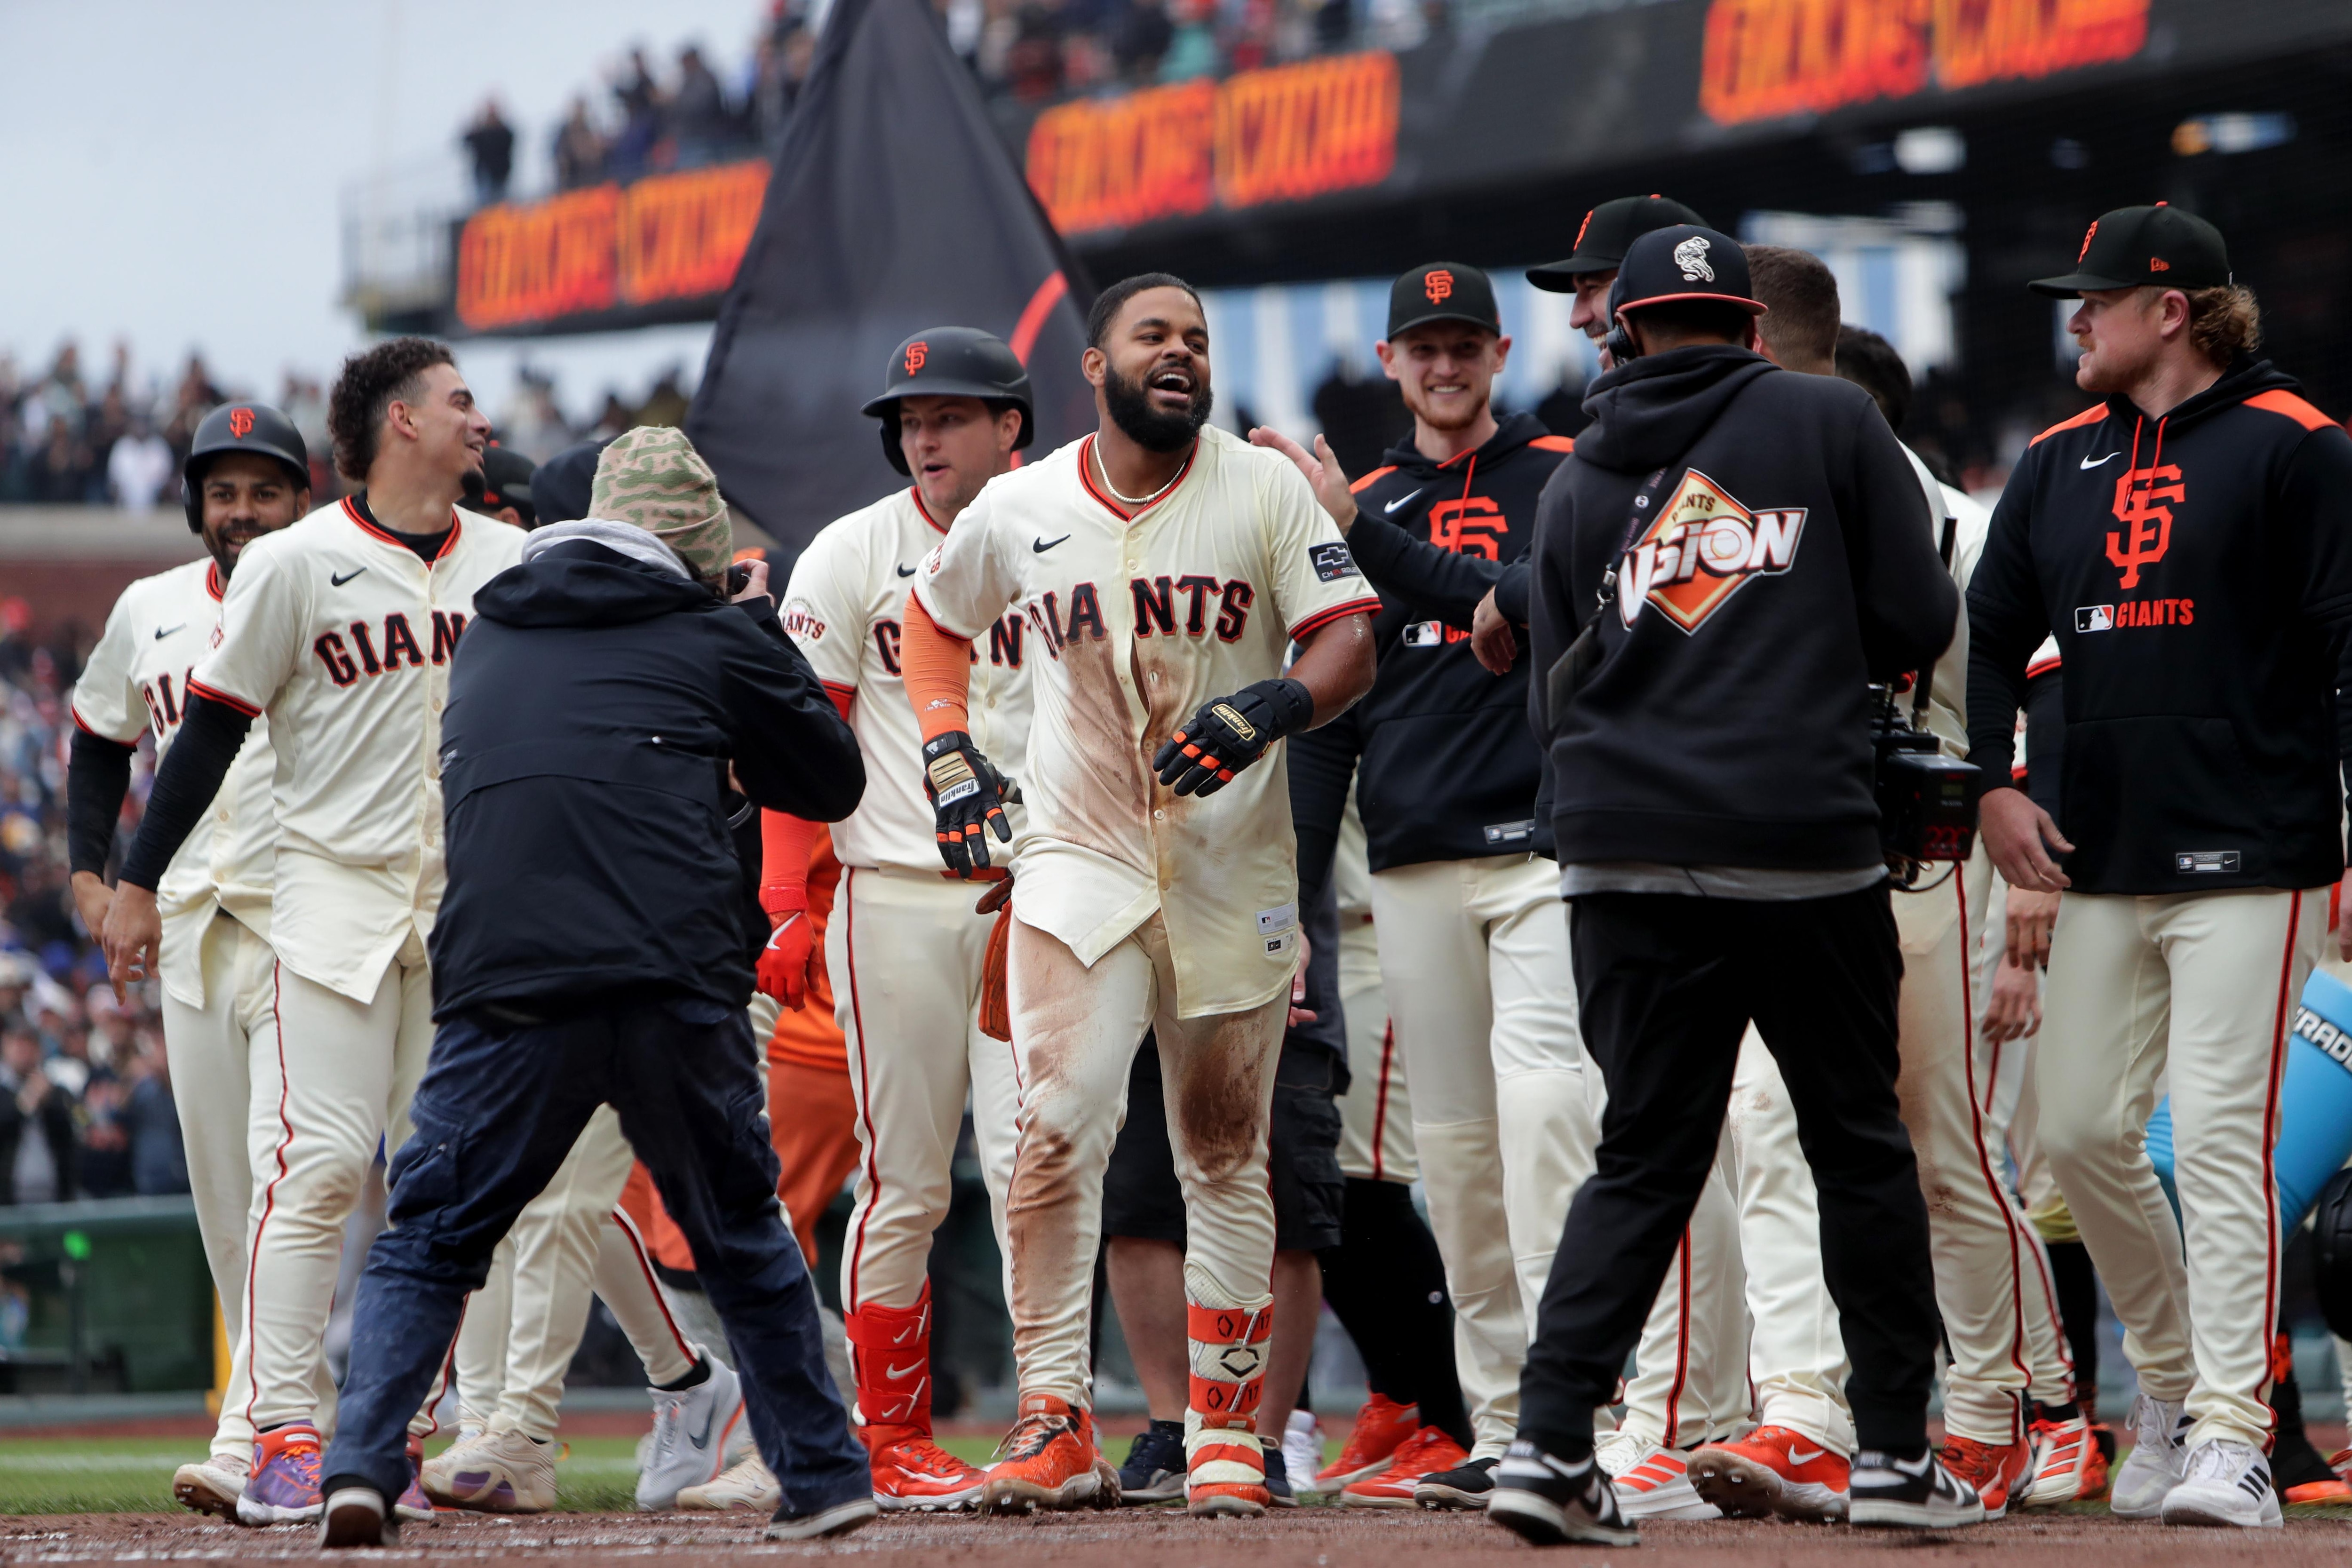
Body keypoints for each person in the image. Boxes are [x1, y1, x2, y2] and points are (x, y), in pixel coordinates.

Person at [1493, 225, 1977, 1545]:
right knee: (1857, 1152)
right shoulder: (1827, 419)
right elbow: (1921, 622)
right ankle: (1887, 1453)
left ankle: (1545, 1447)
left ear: (1628, 330)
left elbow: (1555, 682)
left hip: (1621, 851)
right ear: (1748, 325)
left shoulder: (1579, 475)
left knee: (1643, 1156)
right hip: (1800, 847)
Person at [312, 427, 875, 1548]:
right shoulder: (719, 633)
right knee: (742, 1234)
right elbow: (829, 773)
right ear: (702, 553)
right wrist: (758, 638)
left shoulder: (486, 636)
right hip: (672, 976)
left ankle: (363, 1466)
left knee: (429, 1233)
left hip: (503, 984)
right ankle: (821, 1474)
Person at [902, 272, 1377, 1516]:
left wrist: (1273, 701)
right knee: (1055, 1124)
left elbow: (1349, 635)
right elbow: (934, 620)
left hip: (1234, 862)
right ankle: (1054, 1415)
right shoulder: (1021, 501)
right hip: (1076, 855)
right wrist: (949, 748)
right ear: (1097, 366)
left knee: (1224, 1145)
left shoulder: (1264, 485)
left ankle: (1226, 1422)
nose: (1181, 352)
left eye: (1198, 339)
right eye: (1153, 335)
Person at [1968, 203, 2352, 1529]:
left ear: (2172, 309)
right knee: (2074, 1133)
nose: (2074, 317)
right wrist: (1994, 787)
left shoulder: (2301, 445)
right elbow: (1989, 633)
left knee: (2225, 1137)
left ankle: (2241, 1435)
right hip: (2107, 859)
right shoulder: (2055, 457)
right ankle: (2184, 1386)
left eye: (2096, 299)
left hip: (2263, 850)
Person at [100, 338, 526, 1527]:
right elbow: (208, 735)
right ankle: (283, 1427)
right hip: (328, 897)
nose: (477, 420)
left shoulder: (515, 560)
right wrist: (137, 881)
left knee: (444, 1181)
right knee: (318, 1163)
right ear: (400, 423)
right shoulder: (295, 562)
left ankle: (394, 1426)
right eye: (459, 401)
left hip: (466, 909)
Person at [1254, 261, 1592, 1509]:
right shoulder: (1368, 500)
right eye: (1422, 348)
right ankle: (1501, 1421)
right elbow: (1332, 715)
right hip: (1410, 861)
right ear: (1393, 364)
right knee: (1452, 1157)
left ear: (1500, 353)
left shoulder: (1565, 473)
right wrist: (1289, 898)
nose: (1444, 366)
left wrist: (1354, 522)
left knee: (1551, 1111)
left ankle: (1577, 1405)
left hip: (1547, 852)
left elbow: (1560, 618)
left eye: (1463, 345)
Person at [754, 326, 1038, 1511]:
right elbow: (796, 740)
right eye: (911, 418)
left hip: (1044, 890)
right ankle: (891, 1432)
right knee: (907, 1177)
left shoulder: (1063, 528)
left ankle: (1053, 1414)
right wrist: (785, 896)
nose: (923, 434)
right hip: (898, 888)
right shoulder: (852, 548)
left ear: (1008, 426)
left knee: (1039, 1166)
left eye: (951, 414)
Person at [66, 401, 321, 1518]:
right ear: (195, 505)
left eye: (264, 490)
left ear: (300, 500)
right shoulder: (151, 607)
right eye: (224, 492)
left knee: (279, 1168)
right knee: (226, 1191)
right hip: (187, 925)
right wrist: (89, 871)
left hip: (303, 914)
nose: (243, 512)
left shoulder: (330, 587)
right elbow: (95, 733)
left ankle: (258, 1426)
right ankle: (277, 1412)